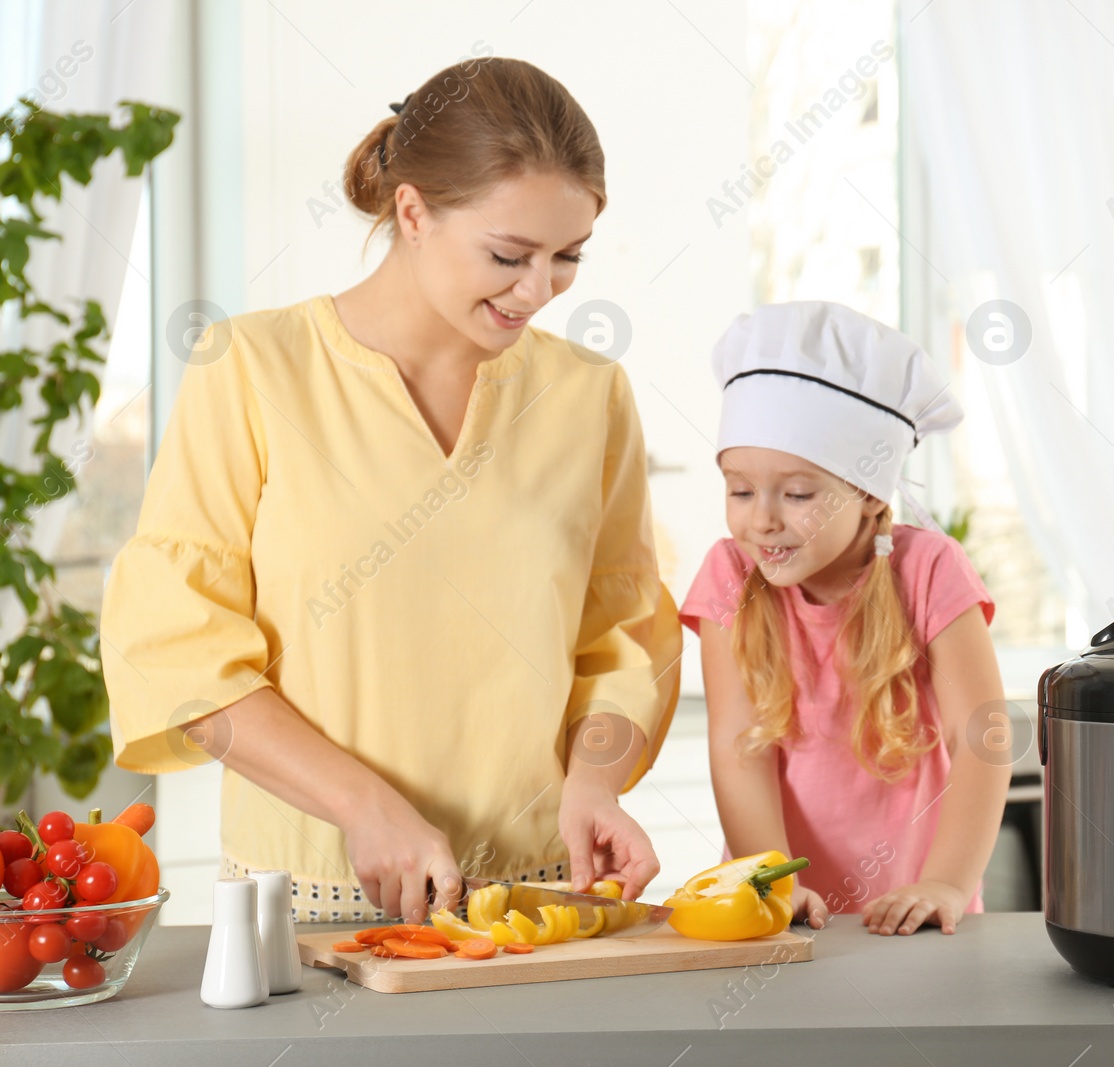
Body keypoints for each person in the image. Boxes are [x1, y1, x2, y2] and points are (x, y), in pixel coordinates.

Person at [100, 57, 680, 924]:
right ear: (412, 211)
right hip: (306, 904)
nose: (538, 291)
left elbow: (622, 638)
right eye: (509, 254)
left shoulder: (589, 395)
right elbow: (178, 654)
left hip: (540, 905)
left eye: (568, 258)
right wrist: (362, 805)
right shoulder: (253, 371)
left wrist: (597, 779)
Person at [678, 301, 1011, 936]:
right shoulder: (730, 576)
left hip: (917, 907)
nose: (763, 519)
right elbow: (737, 746)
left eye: (798, 494)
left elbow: (985, 739)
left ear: (870, 494)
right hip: (775, 903)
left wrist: (946, 882)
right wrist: (770, 879)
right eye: (740, 490)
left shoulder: (930, 569)